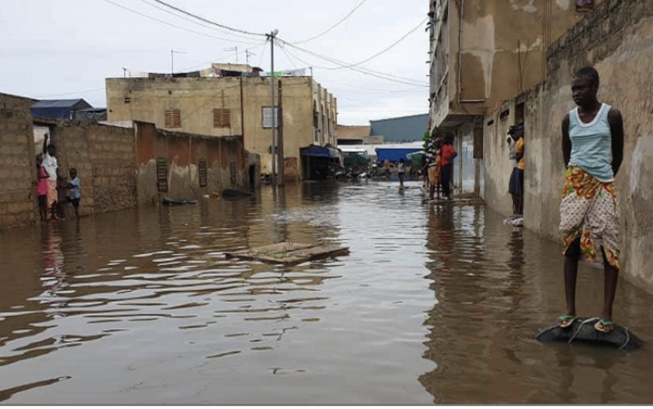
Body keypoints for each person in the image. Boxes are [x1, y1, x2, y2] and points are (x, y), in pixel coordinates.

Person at [557, 66, 624, 333]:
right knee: (570, 244)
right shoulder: (568, 120)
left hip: (603, 185)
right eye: (573, 88)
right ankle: (569, 309)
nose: (576, 93)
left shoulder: (612, 116)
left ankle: (606, 313)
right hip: (575, 184)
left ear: (595, 87)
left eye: (581, 88)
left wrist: (602, 178)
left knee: (610, 244)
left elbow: (617, 155)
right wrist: (579, 179)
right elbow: (567, 156)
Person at [42, 134, 58, 221]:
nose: (52, 151)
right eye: (50, 149)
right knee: (49, 199)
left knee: (55, 199)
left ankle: (54, 214)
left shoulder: (54, 159)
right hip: (48, 181)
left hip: (54, 180)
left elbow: (55, 170)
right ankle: (48, 215)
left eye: (53, 149)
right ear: (48, 150)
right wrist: (45, 139)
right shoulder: (46, 157)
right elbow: (44, 150)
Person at [507, 126, 520, 218]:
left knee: (517, 191)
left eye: (513, 134)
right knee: (512, 190)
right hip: (515, 167)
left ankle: (518, 211)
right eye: (511, 134)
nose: (512, 136)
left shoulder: (520, 142)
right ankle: (516, 210)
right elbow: (511, 156)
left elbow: (514, 155)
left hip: (518, 168)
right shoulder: (513, 144)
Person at [513, 124, 525, 218]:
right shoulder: (519, 142)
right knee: (520, 191)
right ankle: (520, 211)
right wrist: (522, 152)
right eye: (520, 130)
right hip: (521, 168)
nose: (521, 132)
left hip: (526, 169)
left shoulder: (526, 140)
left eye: (522, 130)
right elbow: (516, 158)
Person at [440, 135, 457, 200]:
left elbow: (455, 153)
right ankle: (444, 193)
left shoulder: (450, 147)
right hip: (443, 164)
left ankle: (447, 194)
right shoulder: (444, 147)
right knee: (443, 180)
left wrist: (450, 158)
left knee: (446, 179)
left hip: (447, 164)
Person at [36, 154, 49, 222]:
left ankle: (45, 216)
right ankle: (42, 217)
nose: (40, 161)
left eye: (41, 160)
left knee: (44, 203)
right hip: (39, 188)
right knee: (41, 204)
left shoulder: (43, 168)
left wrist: (44, 176)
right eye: (39, 160)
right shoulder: (36, 168)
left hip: (44, 187)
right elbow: (38, 177)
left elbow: (48, 175)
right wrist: (43, 177)